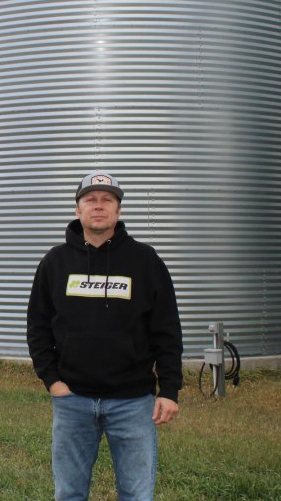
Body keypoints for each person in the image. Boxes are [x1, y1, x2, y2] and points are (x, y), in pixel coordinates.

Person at [26, 171, 183, 501]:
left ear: (118, 211)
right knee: (69, 493)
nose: (99, 206)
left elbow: (167, 331)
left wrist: (169, 389)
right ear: (78, 209)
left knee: (137, 494)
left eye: (107, 200)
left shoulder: (146, 261)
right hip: (73, 401)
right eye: (90, 200)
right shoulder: (54, 262)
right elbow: (38, 328)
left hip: (133, 402)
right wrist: (53, 381)